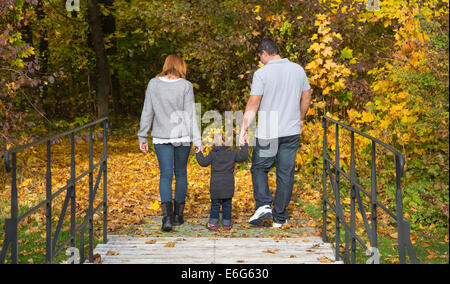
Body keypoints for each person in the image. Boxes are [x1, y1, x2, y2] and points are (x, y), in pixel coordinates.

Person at [239, 38, 312, 228]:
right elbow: (306, 95)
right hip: (291, 129)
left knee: (259, 168)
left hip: (268, 130)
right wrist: (301, 117)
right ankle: (280, 218)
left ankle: (264, 205)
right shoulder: (298, 70)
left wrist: (244, 127)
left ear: (264, 53)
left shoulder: (262, 73)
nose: (260, 61)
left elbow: (254, 102)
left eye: (260, 57)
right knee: (285, 173)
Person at [138, 54, 202, 232]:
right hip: (182, 137)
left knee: (165, 175)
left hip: (161, 137)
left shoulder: (154, 84)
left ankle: (166, 217)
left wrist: (143, 136)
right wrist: (197, 139)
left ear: (166, 65)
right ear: (181, 66)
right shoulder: (186, 86)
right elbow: (190, 115)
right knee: (181, 174)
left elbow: (147, 111)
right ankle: (178, 216)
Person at [196, 135, 249, 231]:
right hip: (228, 184)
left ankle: (213, 223)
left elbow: (203, 162)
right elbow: (244, 156)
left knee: (215, 204)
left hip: (216, 184)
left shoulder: (213, 154)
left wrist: (199, 152)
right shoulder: (232, 153)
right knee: (227, 204)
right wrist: (244, 146)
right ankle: (226, 223)